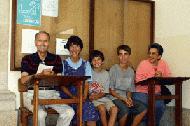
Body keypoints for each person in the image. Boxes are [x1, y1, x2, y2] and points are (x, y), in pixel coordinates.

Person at [20, 31, 74, 126]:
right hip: (32, 94)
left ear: (48, 43)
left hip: (51, 94)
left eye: (45, 41)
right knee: (41, 114)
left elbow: (60, 80)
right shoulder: (27, 59)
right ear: (35, 43)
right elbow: (23, 80)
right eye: (40, 41)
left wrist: (53, 76)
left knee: (69, 112)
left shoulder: (56, 58)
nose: (43, 44)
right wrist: (39, 74)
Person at [59, 35, 99, 126]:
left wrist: (84, 96)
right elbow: (61, 85)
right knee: (71, 112)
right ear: (68, 48)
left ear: (80, 48)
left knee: (90, 109)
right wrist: (72, 97)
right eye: (72, 46)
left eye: (77, 46)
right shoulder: (63, 64)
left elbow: (87, 83)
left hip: (81, 95)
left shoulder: (86, 64)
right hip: (67, 96)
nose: (74, 49)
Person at [134, 43, 171, 126]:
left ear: (159, 56)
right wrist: (153, 74)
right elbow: (138, 80)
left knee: (160, 107)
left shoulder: (163, 63)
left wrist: (162, 76)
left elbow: (168, 76)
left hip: (156, 93)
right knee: (147, 107)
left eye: (153, 53)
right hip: (141, 92)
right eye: (149, 53)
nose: (150, 55)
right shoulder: (143, 63)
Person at [109, 45, 147, 126]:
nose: (123, 57)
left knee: (143, 108)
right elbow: (111, 91)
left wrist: (129, 98)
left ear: (129, 55)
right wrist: (124, 99)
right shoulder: (113, 69)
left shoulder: (131, 71)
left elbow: (130, 89)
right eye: (120, 54)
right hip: (114, 98)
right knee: (125, 109)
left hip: (125, 98)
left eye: (125, 54)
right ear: (118, 56)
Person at [89, 50, 118, 126]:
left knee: (114, 109)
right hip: (93, 99)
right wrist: (92, 97)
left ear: (102, 61)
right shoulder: (89, 72)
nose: (96, 62)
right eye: (94, 60)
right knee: (102, 109)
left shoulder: (106, 74)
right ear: (91, 62)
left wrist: (97, 96)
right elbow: (87, 90)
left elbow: (105, 92)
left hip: (103, 97)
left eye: (98, 59)